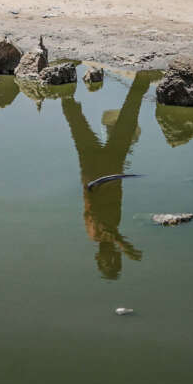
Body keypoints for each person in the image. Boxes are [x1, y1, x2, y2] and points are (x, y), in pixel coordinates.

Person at [60, 73, 153, 279]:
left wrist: (125, 245)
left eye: (109, 261)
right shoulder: (107, 236)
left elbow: (102, 222)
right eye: (114, 261)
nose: (113, 257)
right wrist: (123, 244)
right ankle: (142, 78)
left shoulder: (95, 234)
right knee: (124, 122)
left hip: (95, 171)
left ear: (100, 257)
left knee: (78, 124)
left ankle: (63, 82)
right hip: (112, 167)